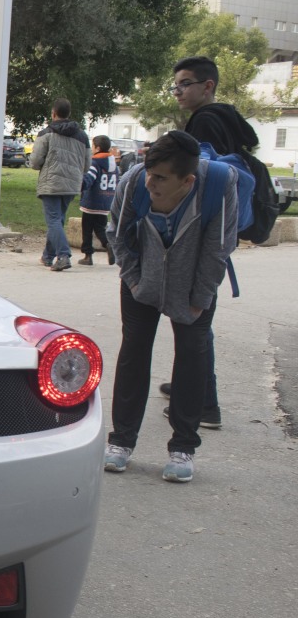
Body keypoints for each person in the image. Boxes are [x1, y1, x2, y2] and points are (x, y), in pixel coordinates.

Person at [102, 131, 237, 483]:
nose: (151, 183)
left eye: (160, 178)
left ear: (187, 180)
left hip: (192, 286)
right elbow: (117, 233)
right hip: (140, 281)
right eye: (149, 172)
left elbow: (218, 248)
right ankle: (121, 441)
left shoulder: (218, 187)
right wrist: (133, 281)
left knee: (192, 354)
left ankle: (183, 447)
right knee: (133, 351)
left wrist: (200, 299)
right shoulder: (135, 182)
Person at [156, 55, 257, 430]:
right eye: (176, 84)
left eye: (184, 83)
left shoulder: (206, 122)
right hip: (218, 230)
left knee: (194, 320)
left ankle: (202, 404)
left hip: (201, 234)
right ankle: (190, 387)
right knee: (195, 318)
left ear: (207, 86)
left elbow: (197, 180)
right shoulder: (226, 117)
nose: (178, 91)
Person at [29, 97, 91, 271]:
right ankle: (47, 256)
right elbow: (87, 164)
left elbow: (35, 161)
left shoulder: (45, 133)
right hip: (72, 184)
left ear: (53, 113)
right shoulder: (82, 136)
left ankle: (63, 255)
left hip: (51, 182)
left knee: (54, 220)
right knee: (58, 219)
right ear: (69, 114)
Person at [78, 135, 118, 266]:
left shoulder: (94, 163)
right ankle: (108, 244)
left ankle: (88, 256)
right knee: (100, 228)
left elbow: (89, 180)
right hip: (106, 202)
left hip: (92, 202)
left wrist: (80, 185)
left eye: (93, 146)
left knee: (87, 229)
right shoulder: (115, 165)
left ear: (98, 148)